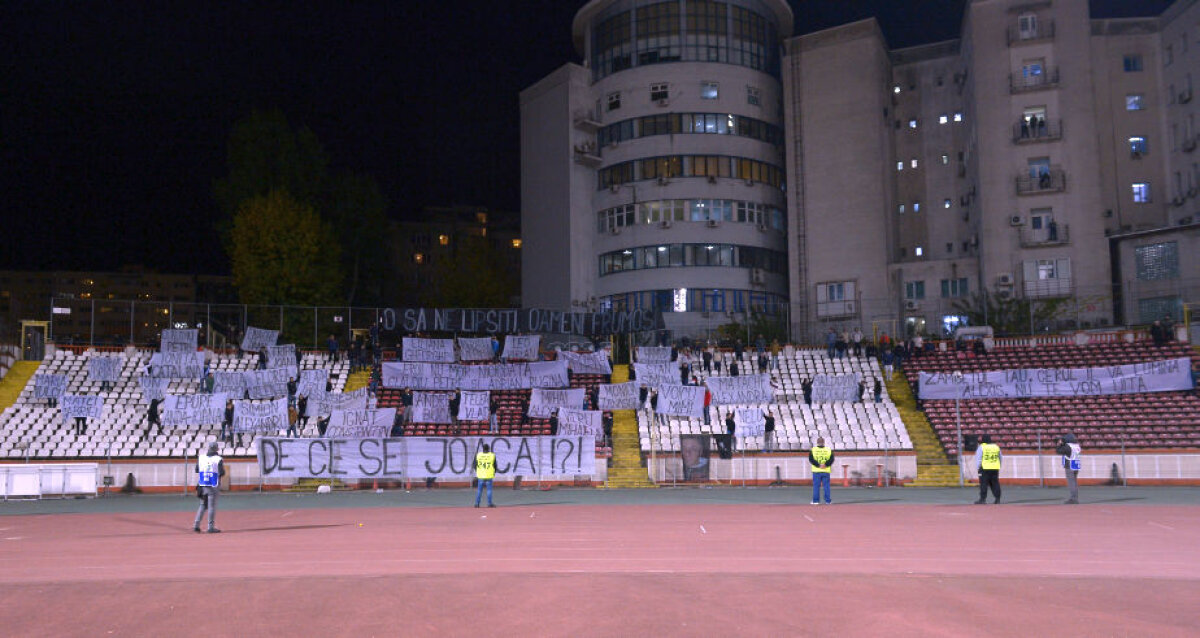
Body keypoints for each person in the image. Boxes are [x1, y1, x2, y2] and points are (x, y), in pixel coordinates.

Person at [193, 441, 225, 533]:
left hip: (202, 483)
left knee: (203, 504)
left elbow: (197, 469)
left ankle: (196, 524)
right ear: (216, 449)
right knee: (211, 506)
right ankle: (210, 527)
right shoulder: (218, 459)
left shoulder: (201, 457)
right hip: (213, 484)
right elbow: (222, 472)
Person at [974, 434, 1002, 504]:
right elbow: (1000, 457)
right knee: (995, 483)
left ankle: (982, 499)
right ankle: (997, 498)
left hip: (984, 468)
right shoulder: (996, 446)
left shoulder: (981, 447)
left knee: (983, 484)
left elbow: (978, 458)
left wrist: (978, 468)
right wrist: (999, 466)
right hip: (995, 468)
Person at [1056, 434, 1081, 504]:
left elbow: (1059, 451)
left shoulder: (1068, 446)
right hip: (1076, 464)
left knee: (1071, 483)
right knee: (1074, 483)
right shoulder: (1077, 446)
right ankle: (1075, 497)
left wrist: (1059, 444)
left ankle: (1073, 498)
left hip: (1069, 465)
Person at [809, 437, 834, 505]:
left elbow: (811, 459)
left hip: (816, 471)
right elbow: (832, 459)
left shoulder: (813, 450)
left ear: (817, 442)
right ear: (824, 442)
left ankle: (816, 501)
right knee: (826, 486)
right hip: (826, 470)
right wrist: (825, 465)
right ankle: (828, 501)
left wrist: (818, 465)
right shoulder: (828, 449)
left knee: (816, 486)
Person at [473, 443, 496, 508]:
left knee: (479, 490)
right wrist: (494, 472)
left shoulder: (478, 455)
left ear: (483, 449)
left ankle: (477, 504)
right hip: (489, 475)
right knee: (489, 490)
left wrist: (477, 471)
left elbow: (474, 465)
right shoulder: (492, 455)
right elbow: (495, 466)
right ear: (488, 449)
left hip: (481, 475)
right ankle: (489, 503)